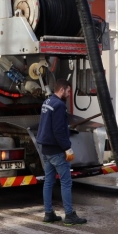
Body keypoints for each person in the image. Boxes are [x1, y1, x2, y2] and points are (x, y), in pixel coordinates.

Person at [36, 79, 87, 225]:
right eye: (69, 91)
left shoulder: (47, 102)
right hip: (56, 150)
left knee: (48, 182)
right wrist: (67, 148)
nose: (69, 94)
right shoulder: (58, 105)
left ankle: (48, 213)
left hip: (45, 149)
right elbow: (58, 130)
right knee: (66, 183)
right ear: (62, 90)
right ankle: (69, 215)